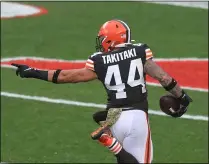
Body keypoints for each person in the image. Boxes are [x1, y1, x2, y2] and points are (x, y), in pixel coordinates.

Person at [11, 19, 192, 163]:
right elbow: (164, 78)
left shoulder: (99, 61)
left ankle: (110, 139)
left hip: (113, 118)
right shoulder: (139, 52)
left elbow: (66, 76)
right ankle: (110, 142)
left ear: (111, 38)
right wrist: (181, 97)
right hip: (136, 117)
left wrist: (32, 72)